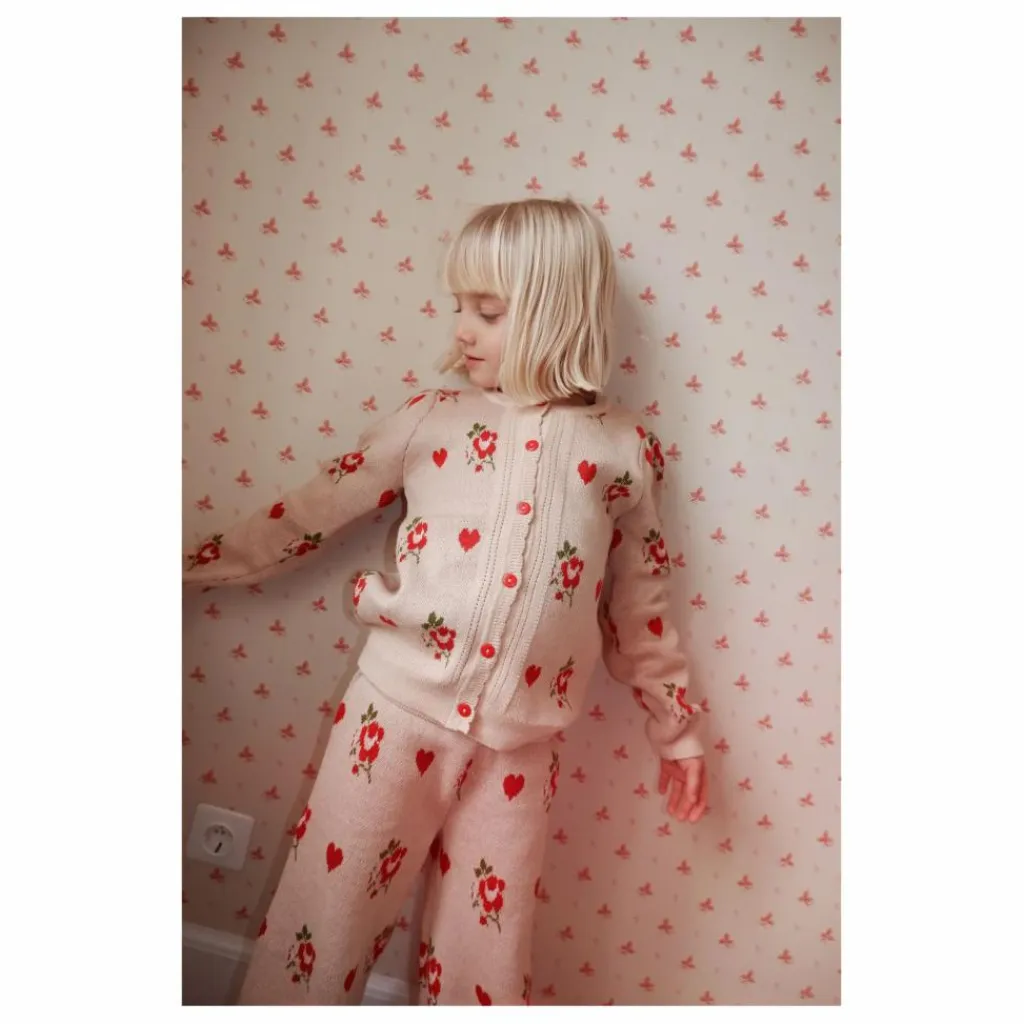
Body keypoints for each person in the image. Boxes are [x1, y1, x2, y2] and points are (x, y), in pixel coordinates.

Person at [183, 197, 708, 1006]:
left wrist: (677, 732)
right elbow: (310, 511)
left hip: (523, 746)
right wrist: (194, 567)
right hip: (393, 718)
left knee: (485, 959)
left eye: (486, 312)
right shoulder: (431, 421)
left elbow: (642, 610)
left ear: (556, 313)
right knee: (322, 926)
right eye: (460, 307)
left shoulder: (625, 449)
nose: (461, 330)